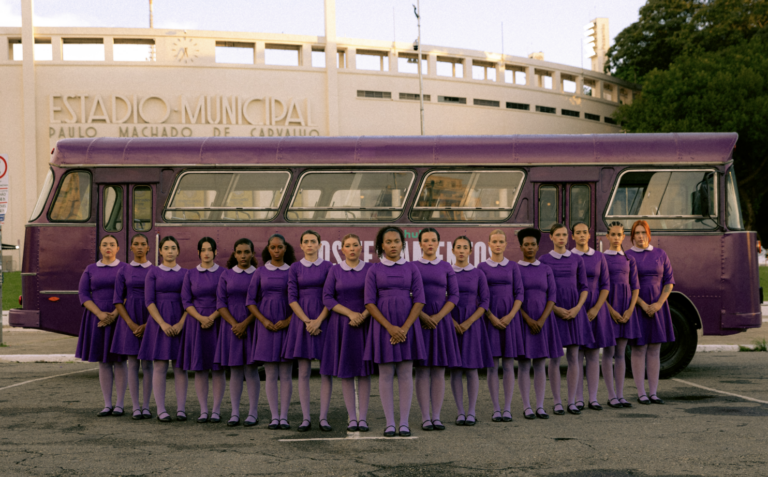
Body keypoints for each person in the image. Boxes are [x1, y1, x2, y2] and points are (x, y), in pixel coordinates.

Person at [364, 226, 426, 437]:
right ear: (381, 245)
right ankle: (390, 423)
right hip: (383, 327)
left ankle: (404, 422)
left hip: (407, 326)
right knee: (386, 374)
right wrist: (390, 327)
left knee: (406, 374)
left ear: (403, 244)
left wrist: (405, 328)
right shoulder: (374, 270)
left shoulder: (412, 268)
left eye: (396, 241)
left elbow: (419, 300)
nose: (393, 245)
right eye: (388, 242)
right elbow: (369, 303)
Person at [539, 223, 594, 415]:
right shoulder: (544, 260)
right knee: (554, 358)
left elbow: (584, 287)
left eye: (564, 235)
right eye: (558, 235)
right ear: (551, 237)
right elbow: (542, 289)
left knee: (573, 357)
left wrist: (578, 308)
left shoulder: (577, 260)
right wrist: (555, 309)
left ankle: (572, 401)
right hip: (554, 313)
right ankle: (556, 402)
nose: (562, 238)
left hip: (574, 312)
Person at [321, 234, 374, 432]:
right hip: (341, 324)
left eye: (355, 245)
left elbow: (374, 297)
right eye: (348, 246)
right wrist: (351, 313)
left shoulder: (370, 269)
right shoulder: (335, 270)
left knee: (364, 373)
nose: (352, 248)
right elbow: (327, 298)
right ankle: (352, 418)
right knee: (346, 373)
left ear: (361, 248)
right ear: (342, 249)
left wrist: (363, 315)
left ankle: (364, 418)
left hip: (364, 323)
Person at [282, 230, 333, 432]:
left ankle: (323, 418)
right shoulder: (295, 268)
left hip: (324, 320)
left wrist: (318, 321)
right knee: (303, 372)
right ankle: (305, 418)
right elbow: (291, 297)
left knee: (325, 372)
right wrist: (306, 321)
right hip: (301, 322)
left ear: (320, 245)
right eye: (306, 242)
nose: (310, 244)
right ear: (301, 246)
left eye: (313, 241)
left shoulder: (329, 267)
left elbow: (330, 296)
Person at [246, 234, 295, 430]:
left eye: (280, 247)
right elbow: (250, 301)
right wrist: (264, 320)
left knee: (286, 373)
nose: (276, 250)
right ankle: (274, 416)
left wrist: (288, 321)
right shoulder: (259, 272)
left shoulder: (292, 271)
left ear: (285, 249)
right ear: (268, 249)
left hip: (286, 324)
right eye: (273, 247)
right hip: (265, 325)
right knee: (271, 372)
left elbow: (296, 300)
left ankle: (284, 416)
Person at [413, 228, 460, 431]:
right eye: (426, 240)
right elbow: (409, 295)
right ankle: (425, 417)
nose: (430, 243)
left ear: (438, 243)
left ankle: (437, 416)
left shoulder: (446, 266)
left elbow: (454, 296)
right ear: (420, 244)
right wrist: (423, 316)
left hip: (441, 321)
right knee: (422, 370)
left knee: (439, 370)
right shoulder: (413, 266)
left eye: (433, 240)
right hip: (420, 319)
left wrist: (439, 317)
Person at [76, 235, 128, 417]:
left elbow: (130, 293)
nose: (108, 247)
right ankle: (107, 404)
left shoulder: (125, 268)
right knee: (104, 362)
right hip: (96, 318)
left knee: (120, 361)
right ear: (99, 248)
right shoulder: (90, 269)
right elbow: (83, 294)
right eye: (105, 244)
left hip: (120, 317)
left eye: (112, 244)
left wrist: (115, 314)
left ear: (118, 248)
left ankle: (120, 404)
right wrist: (99, 313)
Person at [138, 236, 188, 422]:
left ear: (178, 251)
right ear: (160, 251)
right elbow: (149, 301)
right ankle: (161, 410)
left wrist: (181, 323)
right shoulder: (153, 273)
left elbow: (189, 302)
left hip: (180, 322)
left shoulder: (185, 274)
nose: (169, 251)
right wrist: (163, 324)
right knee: (159, 366)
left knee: (180, 367)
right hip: (159, 323)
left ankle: (181, 409)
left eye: (173, 248)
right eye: (166, 248)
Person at [477, 229, 524, 423]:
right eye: (494, 241)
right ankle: (496, 409)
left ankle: (507, 408)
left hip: (509, 319)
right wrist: (491, 316)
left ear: (506, 244)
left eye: (501, 241)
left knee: (508, 365)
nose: (498, 244)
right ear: (489, 244)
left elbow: (519, 293)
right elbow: (479, 295)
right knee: (492, 366)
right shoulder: (482, 267)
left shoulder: (513, 266)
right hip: (490, 319)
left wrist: (511, 315)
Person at [626, 220, 675, 405]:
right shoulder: (628, 256)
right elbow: (627, 284)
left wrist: (658, 304)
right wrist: (643, 304)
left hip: (658, 308)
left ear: (648, 234)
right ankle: (641, 394)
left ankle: (653, 393)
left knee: (655, 349)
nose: (640, 236)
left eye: (643, 233)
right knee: (638, 349)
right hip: (638, 306)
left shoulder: (661, 254)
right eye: (636, 233)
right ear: (632, 236)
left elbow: (669, 282)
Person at [516, 228, 561, 420]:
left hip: (544, 321)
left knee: (541, 364)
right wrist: (527, 319)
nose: (530, 248)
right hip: (524, 320)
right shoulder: (515, 269)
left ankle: (540, 406)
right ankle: (527, 406)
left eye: (533, 244)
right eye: (526, 245)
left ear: (537, 246)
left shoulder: (545, 269)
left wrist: (542, 319)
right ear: (521, 247)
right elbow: (514, 297)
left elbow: (552, 296)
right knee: (525, 365)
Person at [180, 237, 226, 423]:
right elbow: (186, 301)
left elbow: (225, 299)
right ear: (198, 252)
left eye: (210, 249)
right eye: (203, 249)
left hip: (217, 321)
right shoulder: (190, 274)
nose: (206, 253)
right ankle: (203, 410)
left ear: (215, 252)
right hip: (196, 323)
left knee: (217, 369)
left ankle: (216, 410)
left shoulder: (223, 273)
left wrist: (212, 318)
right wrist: (200, 318)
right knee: (200, 369)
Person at [216, 238, 260, 427]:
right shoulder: (226, 275)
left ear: (252, 254)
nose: (243, 256)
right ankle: (234, 413)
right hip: (231, 326)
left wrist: (245, 323)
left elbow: (261, 301)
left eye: (247, 252)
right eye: (239, 252)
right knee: (234, 370)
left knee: (250, 369)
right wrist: (235, 324)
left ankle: (253, 412)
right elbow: (220, 303)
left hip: (252, 324)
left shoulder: (258, 274)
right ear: (234, 254)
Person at [449, 236, 492, 426]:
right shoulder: (448, 272)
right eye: (458, 247)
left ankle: (472, 411)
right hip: (451, 321)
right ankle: (460, 412)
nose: (461, 250)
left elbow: (484, 301)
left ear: (470, 250)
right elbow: (444, 299)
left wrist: (468, 322)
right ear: (452, 250)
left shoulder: (478, 273)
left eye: (465, 247)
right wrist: (451, 321)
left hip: (473, 323)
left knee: (472, 368)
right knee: (456, 369)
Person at [111, 234, 154, 420]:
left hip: (150, 318)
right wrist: (130, 323)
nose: (139, 247)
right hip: (128, 319)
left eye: (143, 244)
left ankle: (146, 406)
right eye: (135, 244)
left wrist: (147, 324)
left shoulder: (155, 270)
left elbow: (158, 299)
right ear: (130, 247)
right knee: (133, 363)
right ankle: (135, 406)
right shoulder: (124, 270)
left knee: (148, 364)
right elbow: (118, 300)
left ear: (148, 248)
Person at [571, 223, 612, 411]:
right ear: (573, 236)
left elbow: (605, 285)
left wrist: (596, 308)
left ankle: (593, 398)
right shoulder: (569, 257)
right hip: (577, 308)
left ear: (589, 235)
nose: (581, 235)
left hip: (596, 308)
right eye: (577, 232)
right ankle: (578, 398)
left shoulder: (599, 257)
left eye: (584, 232)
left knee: (594, 355)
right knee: (577, 355)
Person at [603, 221, 641, 408]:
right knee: (608, 353)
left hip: (626, 310)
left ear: (624, 237)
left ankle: (620, 394)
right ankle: (611, 396)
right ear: (607, 236)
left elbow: (635, 287)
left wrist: (629, 310)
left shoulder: (629, 259)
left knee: (620, 354)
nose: (616, 238)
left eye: (619, 235)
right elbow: (602, 288)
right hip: (609, 308)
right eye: (613, 234)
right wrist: (611, 310)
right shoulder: (602, 259)